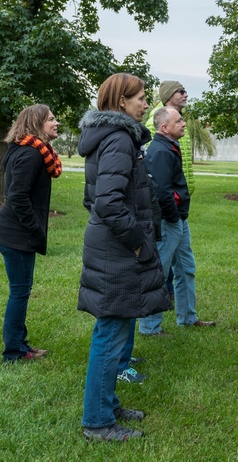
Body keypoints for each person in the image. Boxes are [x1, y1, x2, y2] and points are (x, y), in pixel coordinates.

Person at [77, 73, 170, 442]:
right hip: (118, 250)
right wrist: (138, 244)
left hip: (112, 246)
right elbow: (108, 203)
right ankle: (98, 423)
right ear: (121, 103)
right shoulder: (118, 138)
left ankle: (108, 405)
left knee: (115, 329)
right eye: (141, 98)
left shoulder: (114, 137)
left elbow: (94, 199)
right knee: (110, 334)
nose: (146, 104)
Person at [139, 80, 214, 333]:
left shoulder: (170, 145)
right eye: (179, 122)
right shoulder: (159, 151)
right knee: (158, 270)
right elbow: (161, 191)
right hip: (169, 219)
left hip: (179, 218)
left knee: (186, 268)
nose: (184, 124)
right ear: (164, 128)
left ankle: (188, 317)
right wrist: (172, 217)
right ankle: (149, 326)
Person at [0, 104, 61, 363]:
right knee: (19, 292)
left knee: (21, 290)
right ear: (36, 123)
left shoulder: (30, 150)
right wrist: (34, 229)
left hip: (15, 234)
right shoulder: (30, 154)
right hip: (15, 235)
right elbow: (17, 197)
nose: (56, 123)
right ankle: (14, 352)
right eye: (51, 119)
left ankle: (20, 344)